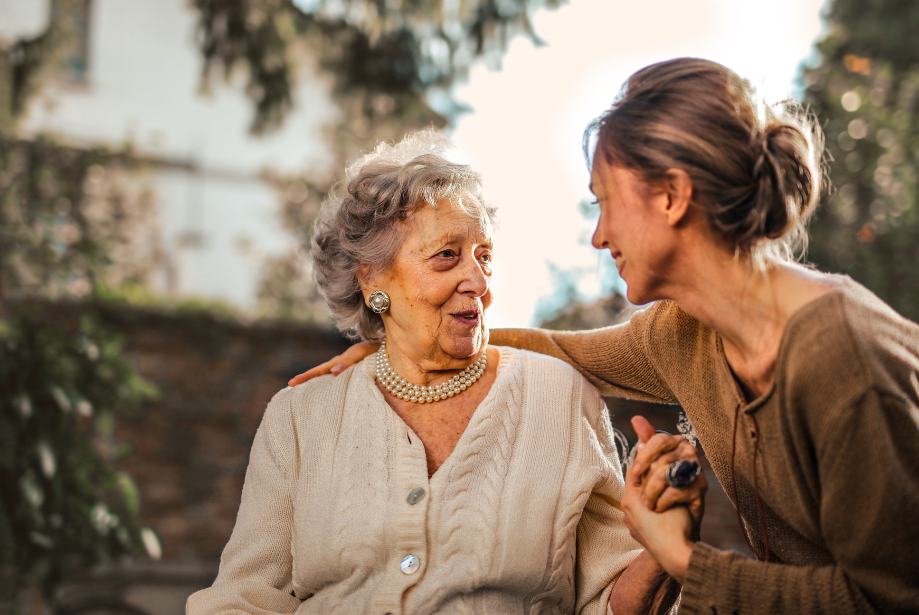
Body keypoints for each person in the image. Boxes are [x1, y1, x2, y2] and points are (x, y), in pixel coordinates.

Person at [290, 59, 919, 614]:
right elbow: (559, 350)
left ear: (671, 197)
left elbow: (889, 599)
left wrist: (683, 561)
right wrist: (399, 341)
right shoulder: (684, 333)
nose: (598, 236)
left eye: (604, 202)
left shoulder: (846, 360)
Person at [187, 131, 689, 615]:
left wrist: (662, 551)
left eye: (484, 256)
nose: (478, 281)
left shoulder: (561, 397)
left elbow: (609, 603)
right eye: (447, 255)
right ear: (372, 279)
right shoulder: (300, 416)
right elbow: (244, 598)